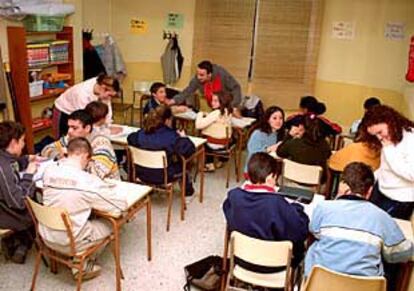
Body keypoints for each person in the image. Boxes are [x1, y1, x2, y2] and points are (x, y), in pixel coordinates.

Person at [304, 162, 413, 290]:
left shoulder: (323, 208)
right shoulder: (382, 218)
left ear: (343, 185)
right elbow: (398, 253)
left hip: (320, 285)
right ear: (370, 190)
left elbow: (314, 231)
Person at [41, 137, 127, 280]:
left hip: (46, 236)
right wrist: (103, 187)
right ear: (86, 156)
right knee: (116, 222)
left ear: (68, 152)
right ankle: (81, 262)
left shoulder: (49, 171)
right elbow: (119, 206)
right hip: (69, 242)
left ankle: (77, 257)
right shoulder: (87, 182)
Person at [223, 152, 309, 268]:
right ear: (270, 178)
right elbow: (299, 232)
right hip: (273, 266)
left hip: (240, 260)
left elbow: (229, 214)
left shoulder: (234, 196)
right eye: (275, 178)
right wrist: (297, 208)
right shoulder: (276, 203)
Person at [127, 105, 196, 199]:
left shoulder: (140, 134)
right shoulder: (171, 136)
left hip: (141, 173)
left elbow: (130, 138)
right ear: (168, 120)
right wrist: (184, 137)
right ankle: (188, 192)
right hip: (163, 176)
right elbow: (189, 150)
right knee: (184, 163)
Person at [360, 105, 414, 219]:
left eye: (380, 132)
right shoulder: (388, 138)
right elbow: (385, 167)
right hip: (380, 189)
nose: (379, 137)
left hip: (399, 199)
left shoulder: (410, 138)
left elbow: (412, 174)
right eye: (375, 135)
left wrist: (389, 149)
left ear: (390, 121)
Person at [42, 109, 120, 180]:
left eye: (74, 128)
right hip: (79, 185)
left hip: (106, 189)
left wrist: (70, 159)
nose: (69, 131)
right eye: (69, 127)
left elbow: (96, 174)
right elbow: (46, 150)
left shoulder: (101, 143)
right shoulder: (70, 138)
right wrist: (58, 155)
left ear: (87, 128)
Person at [0, 121, 38, 263]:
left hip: (4, 205)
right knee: (39, 206)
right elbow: (19, 203)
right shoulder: (4, 169)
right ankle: (23, 244)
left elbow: (12, 163)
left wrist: (26, 159)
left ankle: (18, 242)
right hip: (5, 213)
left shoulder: (4, 157)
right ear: (13, 142)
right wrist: (29, 174)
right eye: (22, 141)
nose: (23, 145)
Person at [53, 73, 120, 138]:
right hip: (63, 110)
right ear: (103, 88)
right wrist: (105, 132)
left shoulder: (103, 86)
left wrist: (108, 125)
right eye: (110, 95)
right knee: (63, 139)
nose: (109, 98)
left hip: (79, 111)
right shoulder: (82, 93)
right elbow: (85, 120)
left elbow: (106, 108)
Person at [167, 60, 242, 112]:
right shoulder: (198, 79)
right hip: (214, 107)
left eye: (202, 75)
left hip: (228, 106)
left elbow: (236, 88)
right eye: (197, 74)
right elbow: (188, 91)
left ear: (209, 75)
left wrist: (232, 106)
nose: (199, 77)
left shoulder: (222, 74)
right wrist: (173, 101)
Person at [277, 114, 331, 181]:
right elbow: (328, 155)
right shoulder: (324, 144)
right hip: (317, 185)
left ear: (301, 127)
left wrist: (289, 135)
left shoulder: (293, 143)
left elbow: (279, 152)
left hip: (294, 182)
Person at [195, 91, 233, 171]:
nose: (212, 103)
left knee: (203, 138)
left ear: (222, 101)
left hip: (214, 144)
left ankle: (209, 164)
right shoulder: (228, 111)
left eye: (216, 101)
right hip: (225, 143)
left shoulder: (216, 113)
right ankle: (221, 159)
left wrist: (200, 114)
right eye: (212, 100)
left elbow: (198, 126)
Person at [245, 106, 285, 172]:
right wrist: (270, 149)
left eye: (281, 118)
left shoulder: (278, 133)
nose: (278, 121)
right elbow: (253, 152)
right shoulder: (258, 133)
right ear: (267, 120)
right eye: (274, 118)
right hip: (255, 170)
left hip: (268, 167)